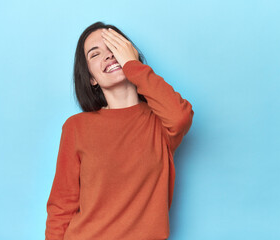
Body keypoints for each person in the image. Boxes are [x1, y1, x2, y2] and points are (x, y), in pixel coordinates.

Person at [45, 21, 194, 240]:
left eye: (114, 47)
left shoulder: (159, 123)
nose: (108, 55)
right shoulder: (76, 127)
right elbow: (61, 207)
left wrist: (133, 66)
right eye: (95, 54)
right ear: (91, 78)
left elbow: (181, 116)